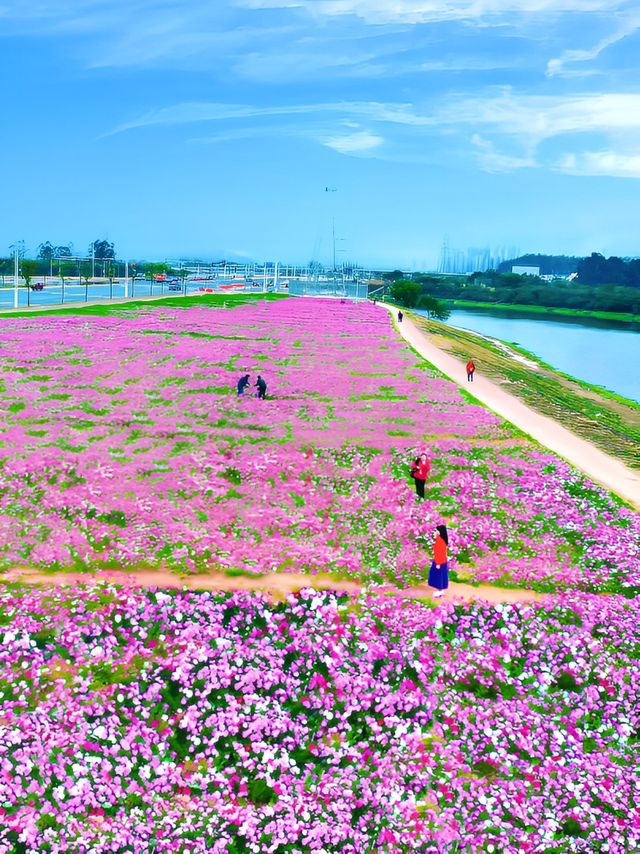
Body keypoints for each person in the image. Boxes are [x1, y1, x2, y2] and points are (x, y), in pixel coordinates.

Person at [428, 525, 449, 598]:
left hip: (439, 561)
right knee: (442, 575)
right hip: (442, 560)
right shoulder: (442, 539)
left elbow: (440, 553)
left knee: (438, 576)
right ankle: (441, 590)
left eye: (437, 531)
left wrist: (438, 563)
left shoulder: (440, 540)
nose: (436, 532)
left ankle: (439, 591)